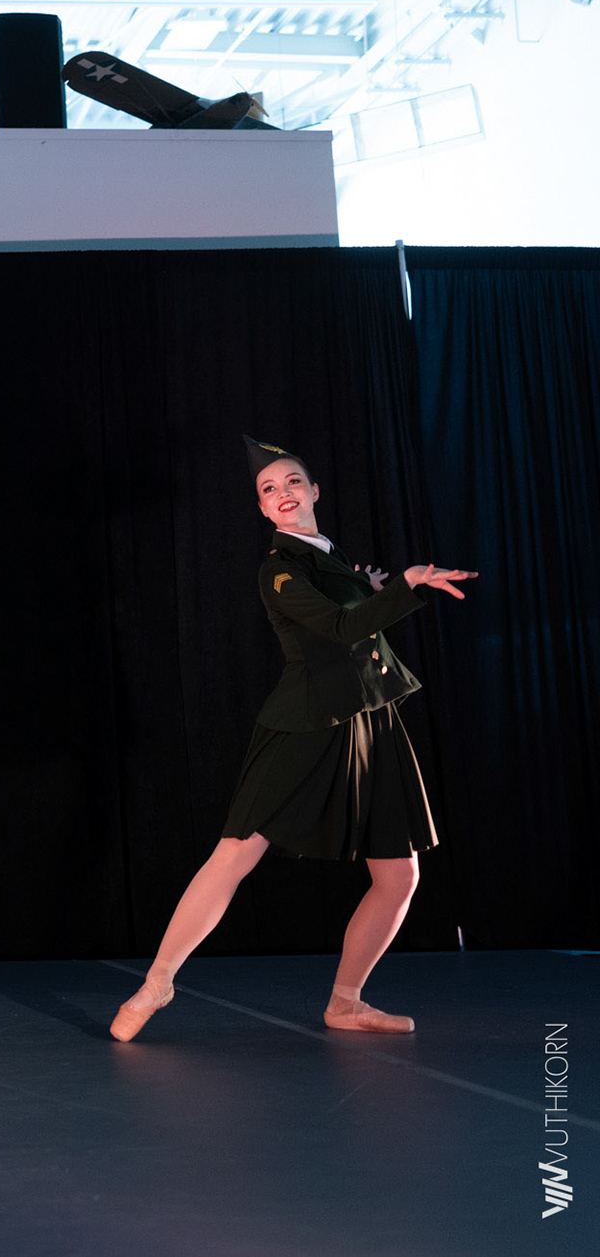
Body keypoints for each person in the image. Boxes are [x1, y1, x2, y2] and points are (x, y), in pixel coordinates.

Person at [110, 435, 475, 1042]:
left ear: (314, 491)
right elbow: (338, 627)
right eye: (269, 488)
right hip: (309, 721)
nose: (282, 492)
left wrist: (370, 586)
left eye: (292, 481)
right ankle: (157, 983)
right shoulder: (279, 569)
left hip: (371, 718)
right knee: (235, 853)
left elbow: (352, 609)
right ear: (261, 508)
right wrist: (404, 586)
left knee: (399, 876)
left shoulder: (331, 559)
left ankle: (345, 1003)